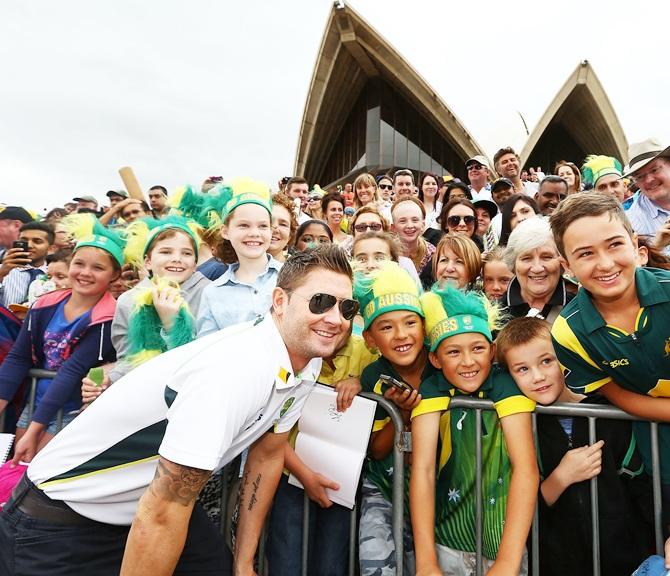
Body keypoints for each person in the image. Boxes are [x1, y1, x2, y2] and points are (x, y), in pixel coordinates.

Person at [0, 246, 355, 576]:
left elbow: (268, 454)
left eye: (347, 308)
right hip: (63, 517)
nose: (335, 319)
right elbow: (162, 512)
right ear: (280, 301)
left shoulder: (305, 361)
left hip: (145, 504)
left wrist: (244, 563)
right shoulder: (238, 368)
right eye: (321, 302)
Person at [548, 193, 670, 537]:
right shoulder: (568, 332)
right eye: (585, 254)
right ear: (567, 267)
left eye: (614, 245)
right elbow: (619, 397)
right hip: (657, 462)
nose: (604, 264)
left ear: (635, 245)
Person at [497, 317, 654, 576]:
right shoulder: (520, 427)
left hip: (624, 559)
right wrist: (561, 477)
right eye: (522, 369)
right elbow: (516, 513)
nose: (538, 377)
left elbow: (643, 486)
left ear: (564, 358)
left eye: (546, 361)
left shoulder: (608, 412)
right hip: (556, 561)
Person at [410, 285, 537, 575]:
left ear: (492, 350)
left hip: (504, 543)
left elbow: (526, 469)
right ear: (435, 359)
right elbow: (423, 470)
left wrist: (508, 560)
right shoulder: (431, 388)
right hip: (446, 541)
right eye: (453, 352)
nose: (468, 361)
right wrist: (426, 560)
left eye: (478, 348)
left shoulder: (506, 384)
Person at [0, 227, 122, 463]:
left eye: (98, 268)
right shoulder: (44, 304)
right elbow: (18, 358)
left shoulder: (109, 316)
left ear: (114, 275)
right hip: (34, 404)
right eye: (79, 264)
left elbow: (72, 371)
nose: (85, 273)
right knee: (18, 474)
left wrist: (34, 431)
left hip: (72, 412)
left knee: (38, 480)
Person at [267, 315, 374, 576]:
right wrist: (303, 474)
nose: (334, 321)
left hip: (342, 483)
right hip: (289, 474)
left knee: (332, 563)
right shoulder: (283, 352)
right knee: (287, 560)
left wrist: (364, 382)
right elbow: (267, 429)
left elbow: (390, 376)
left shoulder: (367, 353)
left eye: (345, 310)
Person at [354, 262, 430, 576]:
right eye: (386, 327)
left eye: (410, 323)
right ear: (370, 339)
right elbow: (377, 449)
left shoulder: (444, 368)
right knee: (376, 563)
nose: (401, 335)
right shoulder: (373, 375)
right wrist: (401, 414)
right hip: (384, 487)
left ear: (424, 328)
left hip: (436, 491)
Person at [84, 217, 210, 397]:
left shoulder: (210, 293)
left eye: (187, 253)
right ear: (148, 261)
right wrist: (108, 379)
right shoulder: (128, 300)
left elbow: (205, 355)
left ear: (195, 264)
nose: (177, 259)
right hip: (144, 395)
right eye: (166, 252)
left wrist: (172, 324)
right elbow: (128, 358)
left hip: (193, 394)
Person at [196, 179, 281, 336]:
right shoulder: (212, 293)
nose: (254, 233)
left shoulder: (293, 276)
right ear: (226, 231)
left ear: (271, 231)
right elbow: (208, 349)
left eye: (263, 226)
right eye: (244, 225)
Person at [502, 217, 572, 322]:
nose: (537, 268)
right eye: (526, 258)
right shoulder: (496, 312)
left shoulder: (578, 308)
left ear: (562, 261)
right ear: (513, 264)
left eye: (547, 257)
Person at [0, 221, 53, 307]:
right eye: (24, 241)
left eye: (37, 241)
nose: (29, 245)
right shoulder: (2, 271)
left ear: (51, 248)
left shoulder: (55, 275)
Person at [624, 138, 670, 236]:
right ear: (635, 182)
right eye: (640, 176)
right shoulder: (631, 223)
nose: (649, 180)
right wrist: (657, 248)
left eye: (654, 170)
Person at [391, 197, 435, 277]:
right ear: (393, 227)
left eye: (415, 220)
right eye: (403, 221)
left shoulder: (432, 253)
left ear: (423, 225)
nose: (410, 226)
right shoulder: (387, 252)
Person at [269, 192, 298, 263]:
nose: (275, 229)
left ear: (290, 235)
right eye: (269, 222)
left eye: (283, 224)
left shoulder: (301, 271)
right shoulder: (238, 266)